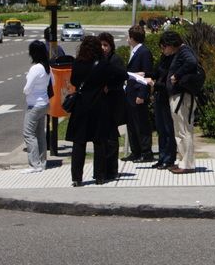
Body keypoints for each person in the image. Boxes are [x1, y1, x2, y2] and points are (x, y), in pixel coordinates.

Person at [66, 37, 126, 186]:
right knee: (99, 141)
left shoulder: (78, 63)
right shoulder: (103, 65)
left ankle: (77, 178)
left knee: (79, 142)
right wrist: (108, 85)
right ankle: (99, 176)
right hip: (99, 105)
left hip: (80, 106)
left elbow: (74, 81)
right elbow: (122, 75)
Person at [161, 30, 200, 174]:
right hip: (178, 97)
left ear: (172, 44)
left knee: (184, 130)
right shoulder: (181, 52)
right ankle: (183, 161)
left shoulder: (184, 51)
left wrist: (176, 75)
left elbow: (192, 62)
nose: (164, 49)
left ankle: (187, 164)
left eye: (165, 46)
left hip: (182, 97)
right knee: (180, 131)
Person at [122, 25, 155, 163]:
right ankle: (135, 151)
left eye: (129, 36)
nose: (127, 39)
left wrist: (142, 94)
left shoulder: (144, 52)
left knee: (141, 124)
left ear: (133, 38)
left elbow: (146, 75)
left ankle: (146, 152)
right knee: (131, 124)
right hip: (130, 93)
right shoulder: (135, 51)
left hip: (138, 94)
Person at [98, 33, 128, 179]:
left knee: (111, 137)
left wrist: (109, 87)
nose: (103, 48)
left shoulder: (115, 60)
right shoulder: (98, 60)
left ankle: (112, 169)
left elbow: (122, 77)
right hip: (102, 104)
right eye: (101, 45)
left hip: (113, 102)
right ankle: (104, 168)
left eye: (106, 45)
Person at [22, 40, 52, 173]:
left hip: (34, 105)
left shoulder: (35, 68)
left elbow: (27, 89)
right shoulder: (47, 67)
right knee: (40, 134)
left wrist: (27, 84)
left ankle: (34, 164)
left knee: (28, 134)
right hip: (44, 103)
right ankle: (42, 162)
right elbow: (53, 83)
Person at [148, 36, 178, 169]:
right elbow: (156, 72)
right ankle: (162, 156)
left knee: (168, 129)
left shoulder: (175, 59)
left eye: (164, 47)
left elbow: (168, 82)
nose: (163, 50)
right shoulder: (163, 58)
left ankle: (169, 158)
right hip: (159, 96)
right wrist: (146, 75)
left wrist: (156, 84)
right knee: (160, 129)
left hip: (167, 97)